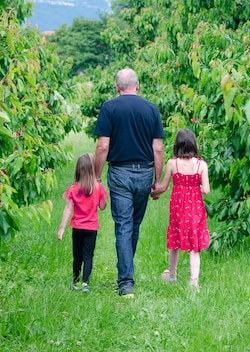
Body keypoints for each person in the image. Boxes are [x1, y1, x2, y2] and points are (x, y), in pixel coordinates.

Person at [94, 68, 165, 298]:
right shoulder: (151, 109)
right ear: (138, 85)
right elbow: (158, 148)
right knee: (133, 226)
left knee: (123, 226)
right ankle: (126, 274)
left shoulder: (109, 107)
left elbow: (103, 146)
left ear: (117, 87)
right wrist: (157, 182)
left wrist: (96, 177)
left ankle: (126, 282)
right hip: (144, 173)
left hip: (120, 173)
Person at [151, 128, 210, 290]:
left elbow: (163, 187)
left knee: (175, 241)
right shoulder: (201, 165)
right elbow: (206, 190)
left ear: (177, 145)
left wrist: (153, 193)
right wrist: (194, 185)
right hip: (195, 208)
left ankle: (172, 275)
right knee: (194, 244)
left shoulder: (172, 163)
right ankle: (193, 281)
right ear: (194, 145)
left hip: (177, 208)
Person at [57, 153, 108, 293]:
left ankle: (75, 281)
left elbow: (68, 208)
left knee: (77, 256)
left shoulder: (74, 188)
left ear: (78, 170)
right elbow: (103, 207)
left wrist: (61, 229)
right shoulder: (98, 188)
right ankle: (85, 283)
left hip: (77, 228)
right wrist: (102, 194)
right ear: (93, 169)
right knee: (88, 256)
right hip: (91, 229)